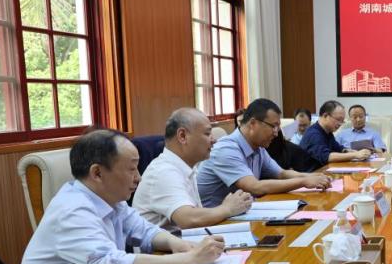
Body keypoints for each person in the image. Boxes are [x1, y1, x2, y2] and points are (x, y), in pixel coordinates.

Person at [11, 129, 227, 264]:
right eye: (131, 169)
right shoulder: (71, 211)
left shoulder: (110, 198)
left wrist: (178, 244)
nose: (138, 177)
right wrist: (192, 259)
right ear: (97, 173)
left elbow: (145, 231)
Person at [197, 98, 331, 206]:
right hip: (215, 223)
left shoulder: (258, 146)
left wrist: (312, 177)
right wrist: (304, 182)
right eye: (273, 126)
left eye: (278, 127)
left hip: (240, 213)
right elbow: (255, 187)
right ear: (253, 123)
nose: (276, 133)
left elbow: (281, 174)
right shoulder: (226, 149)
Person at [134, 108, 252, 230]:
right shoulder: (163, 172)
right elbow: (189, 219)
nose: (213, 140)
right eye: (207, 134)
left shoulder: (186, 167)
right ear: (182, 136)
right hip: (168, 242)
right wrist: (227, 209)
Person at [300, 101, 373, 168]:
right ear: (325, 116)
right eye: (338, 120)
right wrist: (355, 155)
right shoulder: (314, 134)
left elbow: (339, 149)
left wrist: (354, 152)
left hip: (323, 170)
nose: (340, 124)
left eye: (342, 121)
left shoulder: (328, 132)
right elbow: (327, 157)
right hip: (312, 174)